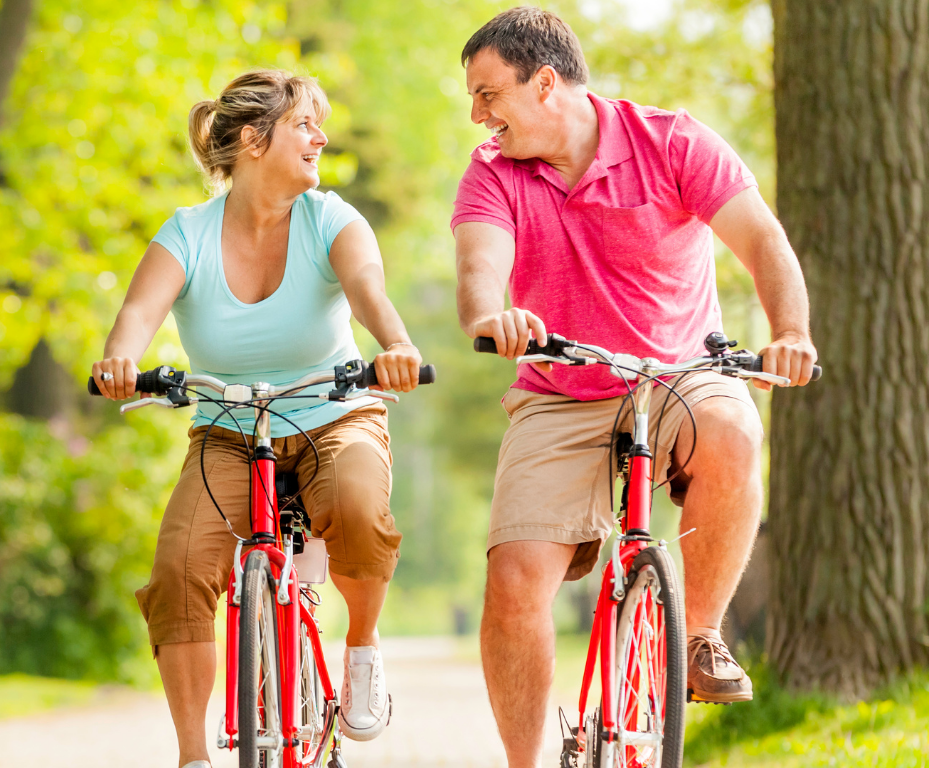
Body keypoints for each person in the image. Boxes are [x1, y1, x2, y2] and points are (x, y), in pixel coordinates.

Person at [449, 8, 818, 767]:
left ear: (545, 82)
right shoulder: (494, 170)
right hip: (560, 389)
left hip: (681, 376)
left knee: (736, 428)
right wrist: (494, 314)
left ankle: (702, 635)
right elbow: (478, 265)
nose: (479, 115)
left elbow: (762, 240)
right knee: (514, 580)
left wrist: (792, 332)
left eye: (489, 94)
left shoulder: (672, 142)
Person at [91, 69, 421, 768]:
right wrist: (120, 360)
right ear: (253, 141)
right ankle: (192, 756)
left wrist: (395, 345)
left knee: (360, 507)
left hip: (335, 414)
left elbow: (367, 291)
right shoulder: (187, 234)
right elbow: (137, 318)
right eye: (306, 124)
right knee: (179, 568)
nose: (320, 138)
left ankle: (361, 648)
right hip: (229, 429)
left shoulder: (332, 219)